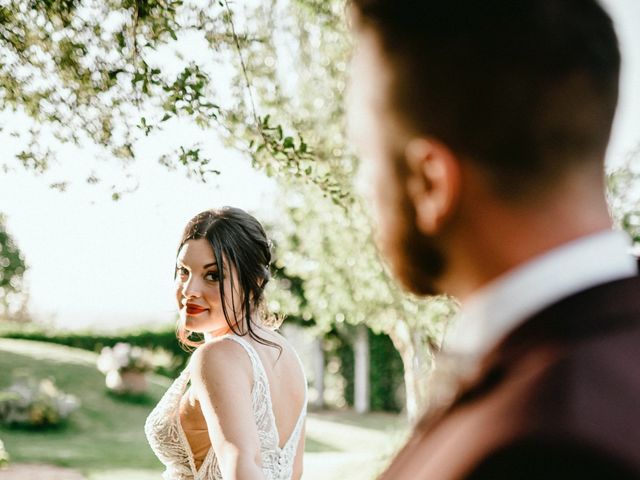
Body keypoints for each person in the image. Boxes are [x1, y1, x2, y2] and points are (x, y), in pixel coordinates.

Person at [347, 0, 640, 478]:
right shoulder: (590, 363)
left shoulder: (552, 445)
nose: (362, 186)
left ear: (430, 183)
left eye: (364, 156)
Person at [145, 207, 307, 480]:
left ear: (253, 282)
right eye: (184, 271)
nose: (189, 290)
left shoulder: (217, 356)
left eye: (213, 275)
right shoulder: (285, 354)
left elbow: (240, 462)